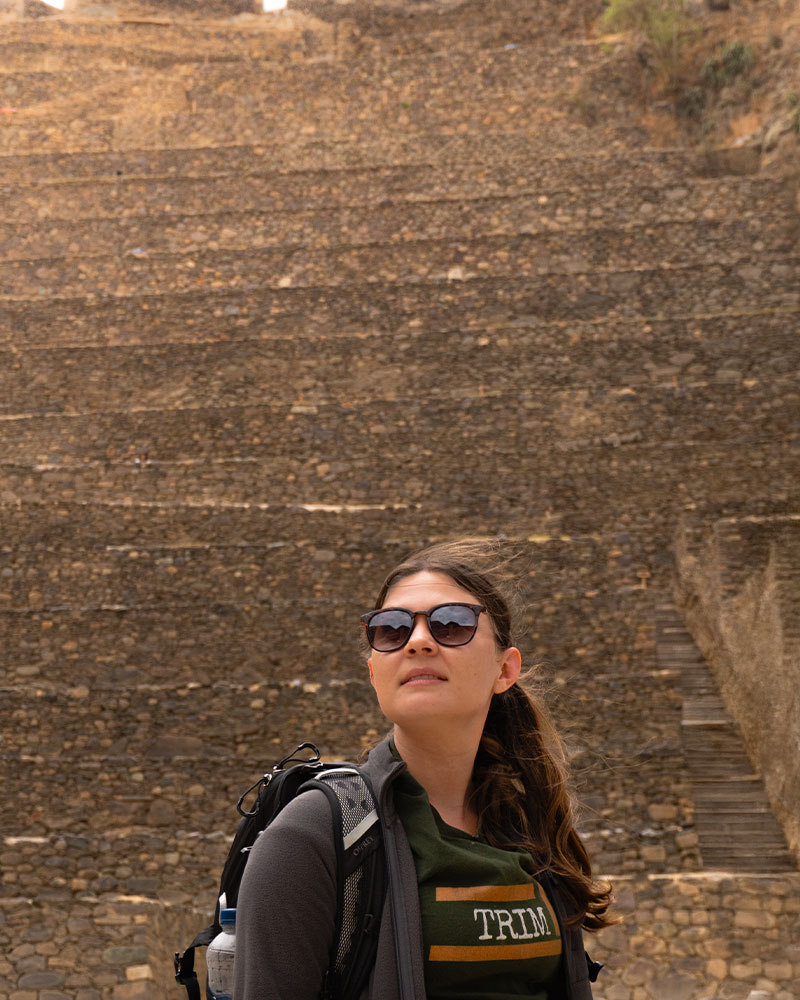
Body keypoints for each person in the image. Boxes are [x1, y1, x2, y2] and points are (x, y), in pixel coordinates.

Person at [234, 539, 616, 1000]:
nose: (418, 641)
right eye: (391, 630)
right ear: (375, 673)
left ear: (505, 669)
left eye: (451, 624)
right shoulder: (311, 839)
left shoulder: (528, 827)